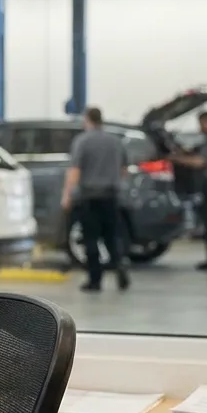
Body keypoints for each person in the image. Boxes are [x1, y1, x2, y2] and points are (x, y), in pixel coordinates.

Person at [62, 106, 130, 292]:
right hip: (111, 196)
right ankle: (119, 264)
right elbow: (124, 170)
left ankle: (95, 279)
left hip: (89, 197)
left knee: (90, 238)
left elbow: (75, 170)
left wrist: (67, 195)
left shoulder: (82, 141)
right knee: (111, 236)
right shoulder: (115, 141)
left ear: (87, 119)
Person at [170, 111, 207, 270]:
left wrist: (176, 159)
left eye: (201, 124)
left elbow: (199, 162)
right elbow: (196, 154)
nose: (200, 128)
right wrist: (183, 153)